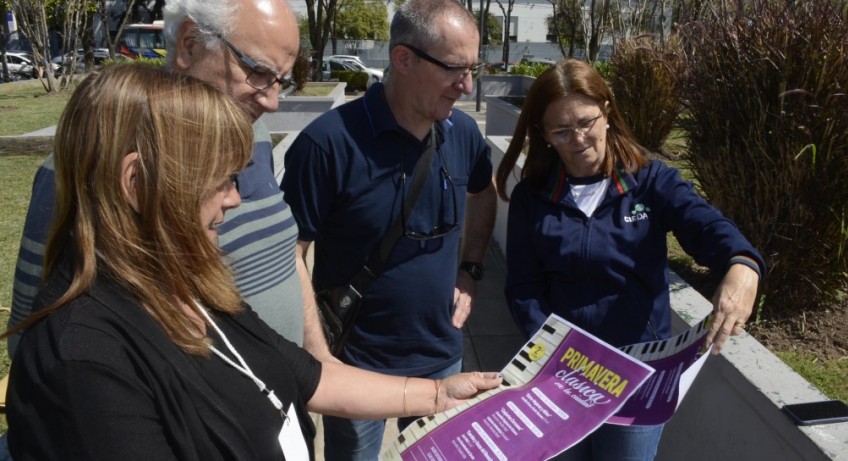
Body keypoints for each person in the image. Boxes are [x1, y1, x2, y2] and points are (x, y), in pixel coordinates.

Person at [3, 64, 502, 461]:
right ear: (137, 183)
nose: (235, 198)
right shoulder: (83, 364)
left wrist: (439, 395)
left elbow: (309, 377)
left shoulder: (188, 286)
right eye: (221, 178)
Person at [7, 0, 334, 362]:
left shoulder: (253, 132)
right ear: (190, 43)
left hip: (295, 385)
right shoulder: (91, 164)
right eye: (258, 71)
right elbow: (37, 339)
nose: (272, 102)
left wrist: (320, 358)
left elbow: (283, 254)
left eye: (281, 81)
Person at [495, 59, 765, 461]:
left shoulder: (651, 182)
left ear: (607, 112)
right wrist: (553, 351)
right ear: (544, 135)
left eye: (586, 122)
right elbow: (523, 287)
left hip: (636, 375)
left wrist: (743, 264)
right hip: (562, 374)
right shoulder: (531, 198)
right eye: (561, 131)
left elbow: (707, 226)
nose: (578, 139)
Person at [280, 0, 497, 459]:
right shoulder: (327, 144)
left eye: (473, 69)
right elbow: (288, 253)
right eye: (455, 69)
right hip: (356, 366)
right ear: (403, 59)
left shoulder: (462, 134)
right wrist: (320, 358)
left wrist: (471, 270)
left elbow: (484, 193)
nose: (467, 85)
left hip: (443, 358)